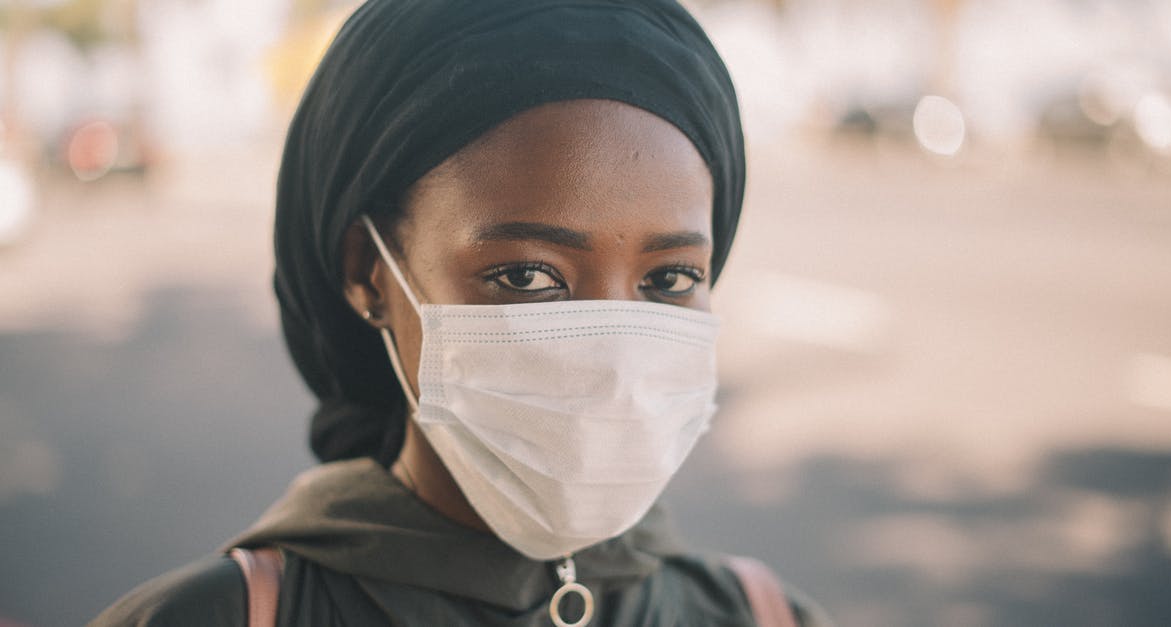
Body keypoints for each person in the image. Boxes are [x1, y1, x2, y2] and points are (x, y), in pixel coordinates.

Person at [90, 1, 831, 625]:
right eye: (526, 275)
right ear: (369, 275)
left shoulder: (764, 614)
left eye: (670, 276)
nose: (611, 355)